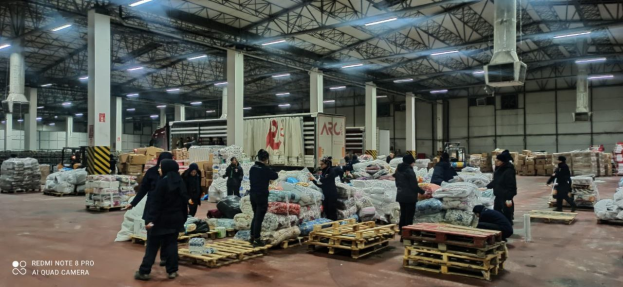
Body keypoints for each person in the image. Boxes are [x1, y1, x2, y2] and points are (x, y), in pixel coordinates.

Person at [135, 159, 188, 281]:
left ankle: (144, 272)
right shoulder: (180, 182)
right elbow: (184, 203)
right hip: (175, 220)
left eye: (161, 167)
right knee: (171, 245)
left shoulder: (162, 183)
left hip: (160, 221)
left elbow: (156, 204)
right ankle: (172, 271)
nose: (159, 170)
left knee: (152, 246)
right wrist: (182, 220)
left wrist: (150, 220)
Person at [127, 152, 173, 266]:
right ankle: (148, 263)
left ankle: (164, 258)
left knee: (165, 236)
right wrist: (133, 203)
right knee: (152, 236)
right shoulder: (152, 172)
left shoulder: (173, 174)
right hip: (152, 208)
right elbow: (143, 189)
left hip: (166, 209)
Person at [249, 149, 278, 247]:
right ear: (266, 159)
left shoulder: (253, 168)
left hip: (252, 195)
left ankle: (252, 236)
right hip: (261, 195)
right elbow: (275, 176)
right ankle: (257, 239)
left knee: (255, 215)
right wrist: (270, 168)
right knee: (259, 218)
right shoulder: (265, 169)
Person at [393, 154, 425, 232]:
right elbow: (413, 185)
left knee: (403, 214)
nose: (413, 164)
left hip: (401, 195)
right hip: (410, 197)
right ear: (411, 162)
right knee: (409, 216)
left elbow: (397, 183)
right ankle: (407, 234)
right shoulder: (409, 171)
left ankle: (401, 232)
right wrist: (422, 191)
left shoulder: (398, 170)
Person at [486, 150, 517, 224]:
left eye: (498, 160)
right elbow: (496, 181)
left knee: (507, 212)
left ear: (502, 161)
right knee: (497, 211)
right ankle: (500, 224)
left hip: (506, 196)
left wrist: (509, 197)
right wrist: (487, 187)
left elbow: (512, 185)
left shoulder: (508, 171)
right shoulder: (499, 170)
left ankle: (508, 226)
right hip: (499, 195)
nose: (496, 162)